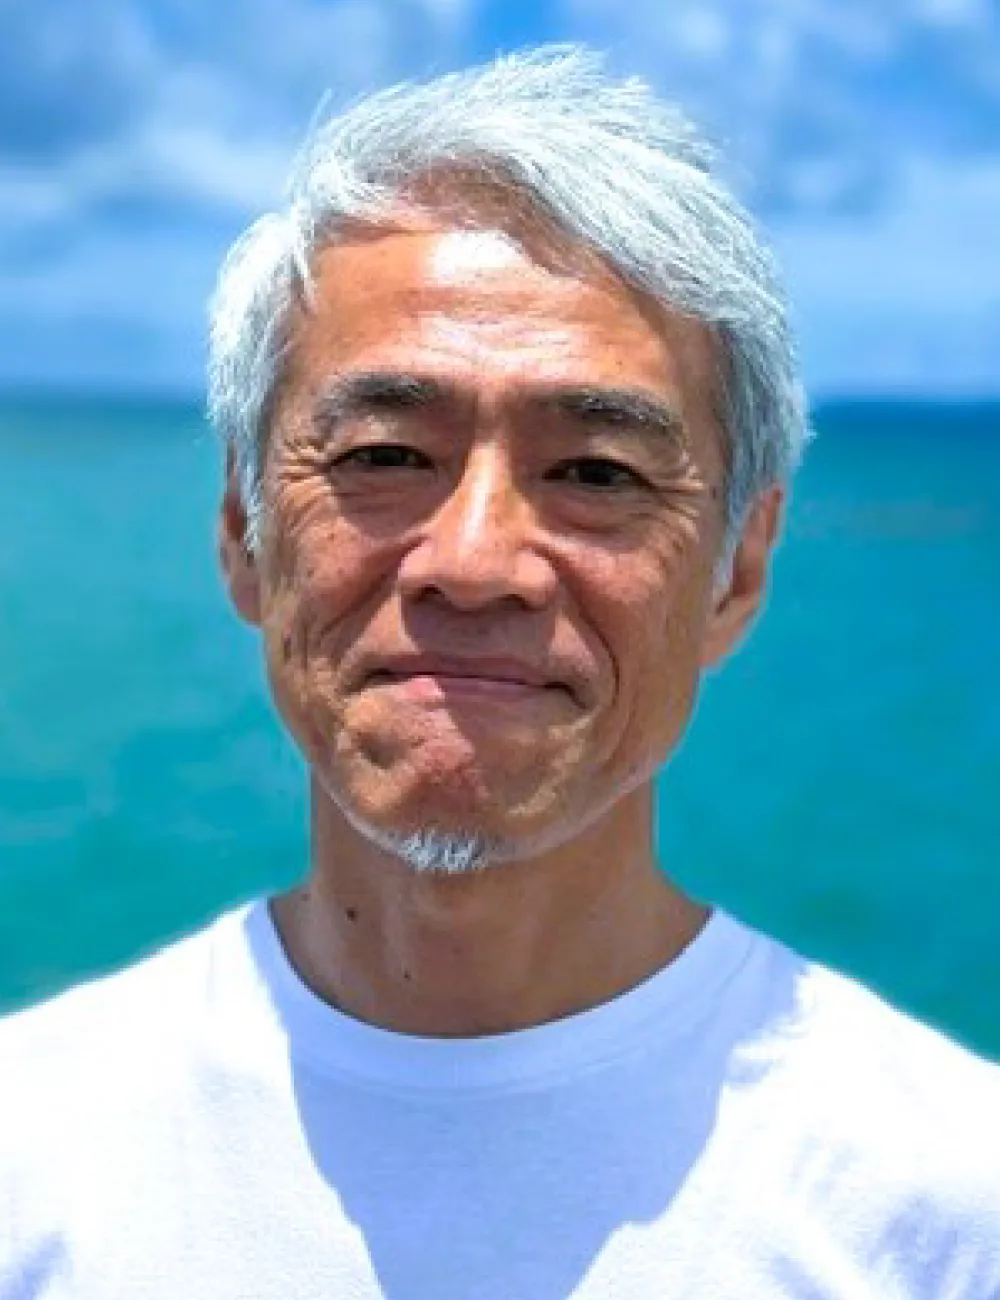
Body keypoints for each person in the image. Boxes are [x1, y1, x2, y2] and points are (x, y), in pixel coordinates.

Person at [1, 45, 998, 1300]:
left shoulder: (943, 1211)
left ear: (737, 572)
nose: (473, 563)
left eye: (594, 472)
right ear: (246, 534)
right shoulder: (33, 1160)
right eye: (382, 455)